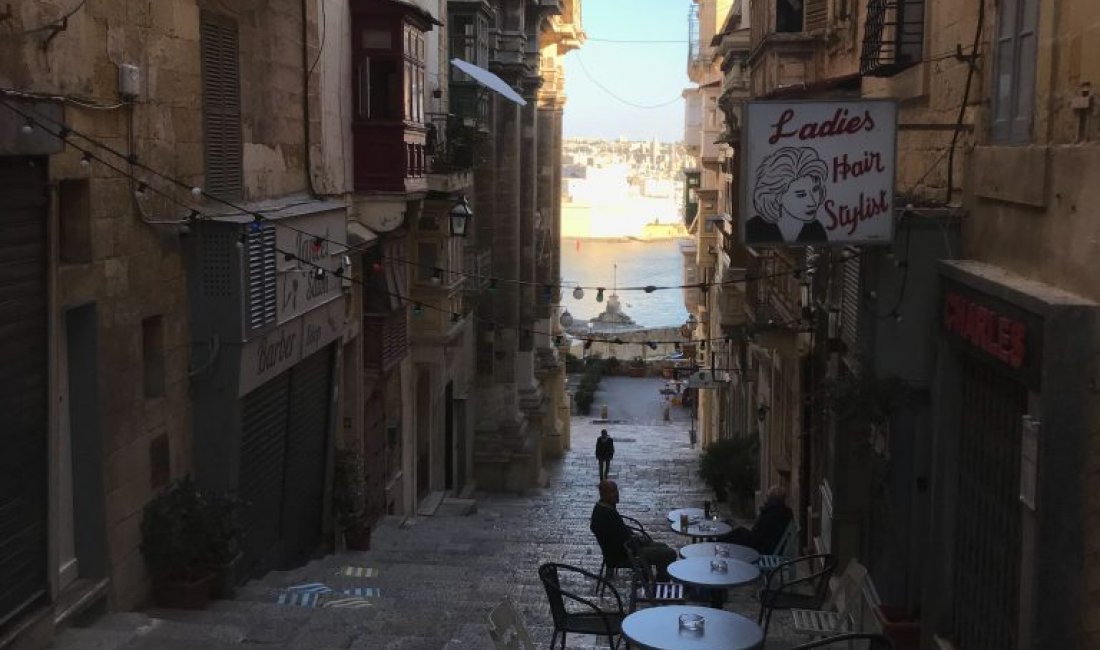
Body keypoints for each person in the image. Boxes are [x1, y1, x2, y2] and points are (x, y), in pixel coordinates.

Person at [590, 480, 677, 581]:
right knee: (670, 554)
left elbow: (621, 532)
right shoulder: (608, 514)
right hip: (625, 556)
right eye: (612, 492)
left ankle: (659, 582)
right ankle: (660, 584)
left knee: (663, 547)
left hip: (625, 550)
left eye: (616, 490)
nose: (616, 494)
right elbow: (624, 540)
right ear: (603, 494)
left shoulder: (602, 508)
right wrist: (641, 540)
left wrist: (636, 537)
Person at [745, 146, 830, 244]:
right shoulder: (754, 229)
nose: (813, 202)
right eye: (801, 195)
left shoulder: (817, 230)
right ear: (778, 196)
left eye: (815, 190)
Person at [719, 485, 794, 553]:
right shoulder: (782, 512)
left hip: (762, 548)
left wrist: (740, 529)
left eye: (767, 497)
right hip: (765, 544)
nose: (765, 499)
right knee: (736, 530)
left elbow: (755, 535)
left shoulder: (771, 514)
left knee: (736, 534)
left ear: (771, 498)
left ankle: (715, 542)